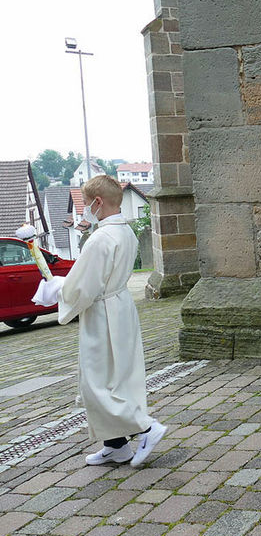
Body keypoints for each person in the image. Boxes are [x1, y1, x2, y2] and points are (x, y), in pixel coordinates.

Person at [35, 175, 166, 466]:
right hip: (120, 307)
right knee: (118, 378)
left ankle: (146, 427)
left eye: (85, 204)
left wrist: (56, 290)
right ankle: (116, 445)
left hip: (103, 313)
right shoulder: (126, 232)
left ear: (97, 202)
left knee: (97, 383)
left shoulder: (101, 238)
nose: (83, 211)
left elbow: (83, 286)